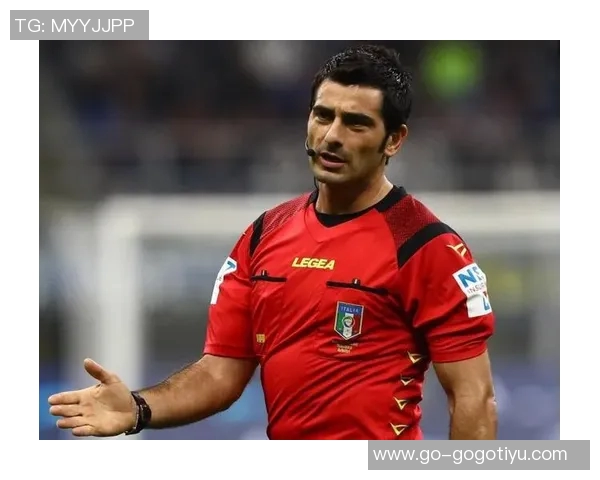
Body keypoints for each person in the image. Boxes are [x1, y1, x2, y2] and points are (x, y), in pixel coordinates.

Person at [48, 44, 497, 440]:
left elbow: (473, 398)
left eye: (356, 123)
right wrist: (138, 408)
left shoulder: (426, 247)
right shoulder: (264, 234)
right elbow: (220, 374)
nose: (332, 136)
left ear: (393, 140)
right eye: (323, 115)